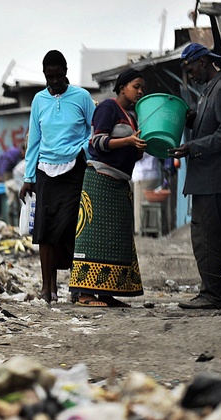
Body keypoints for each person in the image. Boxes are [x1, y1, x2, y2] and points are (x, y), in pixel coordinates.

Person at [168, 43, 221, 309]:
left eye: (191, 70)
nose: (191, 76)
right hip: (206, 179)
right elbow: (209, 124)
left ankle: (213, 294)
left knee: (209, 236)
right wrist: (189, 118)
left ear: (202, 62)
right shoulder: (208, 92)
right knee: (204, 235)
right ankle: (211, 290)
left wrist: (192, 147)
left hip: (214, 178)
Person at [18, 50, 95, 304]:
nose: (54, 82)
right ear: (44, 75)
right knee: (45, 230)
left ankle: (77, 285)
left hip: (74, 169)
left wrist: (83, 150)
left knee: (72, 227)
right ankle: (47, 288)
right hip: (45, 172)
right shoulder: (39, 100)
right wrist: (29, 177)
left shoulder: (82, 97)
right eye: (50, 77)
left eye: (59, 76)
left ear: (66, 72)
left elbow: (93, 131)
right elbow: (35, 140)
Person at [69, 68, 148, 307]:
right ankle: (84, 294)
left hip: (120, 183)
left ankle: (106, 291)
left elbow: (131, 155)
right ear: (122, 86)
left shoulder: (132, 116)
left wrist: (139, 148)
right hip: (100, 181)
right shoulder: (107, 107)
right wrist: (128, 140)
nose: (140, 91)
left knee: (115, 239)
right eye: (136, 86)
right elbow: (98, 141)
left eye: (142, 87)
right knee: (93, 237)